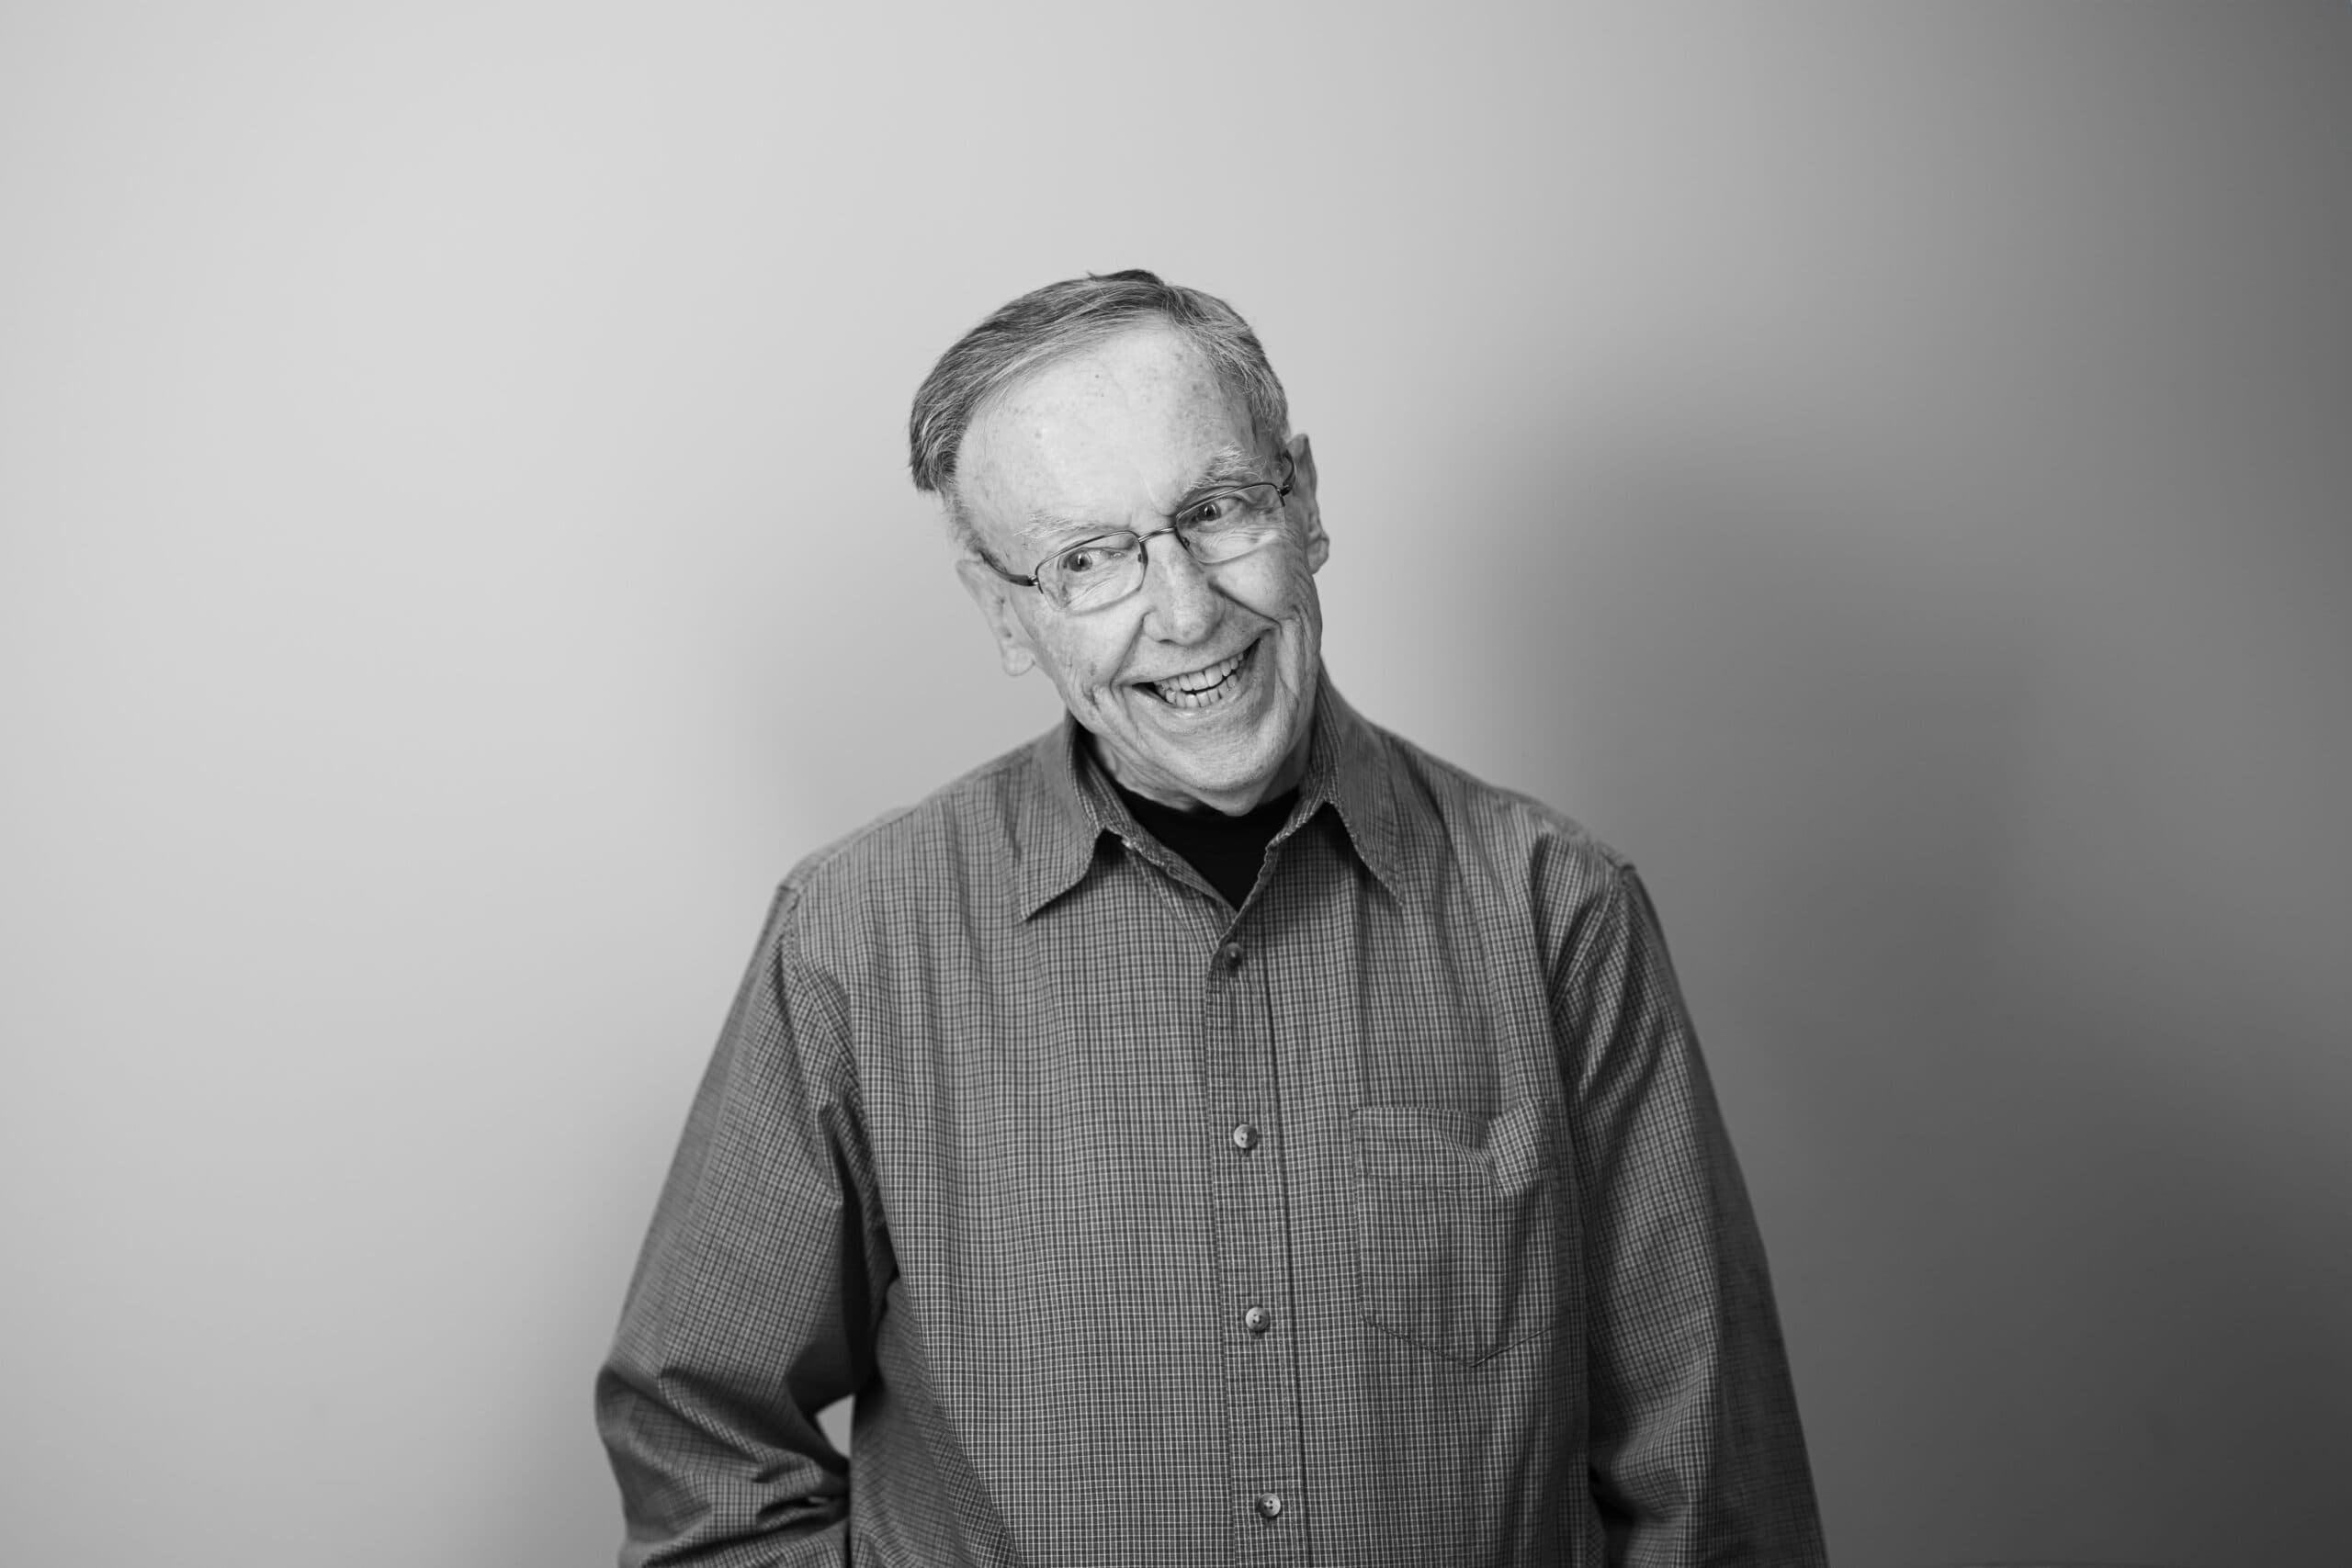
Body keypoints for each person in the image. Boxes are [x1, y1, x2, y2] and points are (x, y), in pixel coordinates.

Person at [596, 270, 1827, 1567]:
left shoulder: (1559, 916)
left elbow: (1709, 1493)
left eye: (1218, 509)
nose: (1183, 611)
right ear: (1005, 610)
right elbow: (700, 1446)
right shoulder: (851, 942)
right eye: (1088, 559)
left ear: (1303, 500)